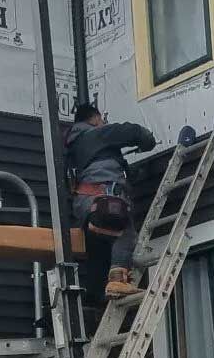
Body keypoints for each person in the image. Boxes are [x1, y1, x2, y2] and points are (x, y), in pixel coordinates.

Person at [64, 102, 156, 299]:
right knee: (126, 233)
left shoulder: (74, 147)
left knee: (100, 252)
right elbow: (130, 131)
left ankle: (97, 300)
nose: (104, 122)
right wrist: (148, 140)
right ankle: (118, 280)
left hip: (84, 206)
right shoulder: (96, 134)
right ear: (95, 119)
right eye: (102, 120)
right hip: (103, 199)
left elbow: (102, 167)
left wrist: (133, 173)